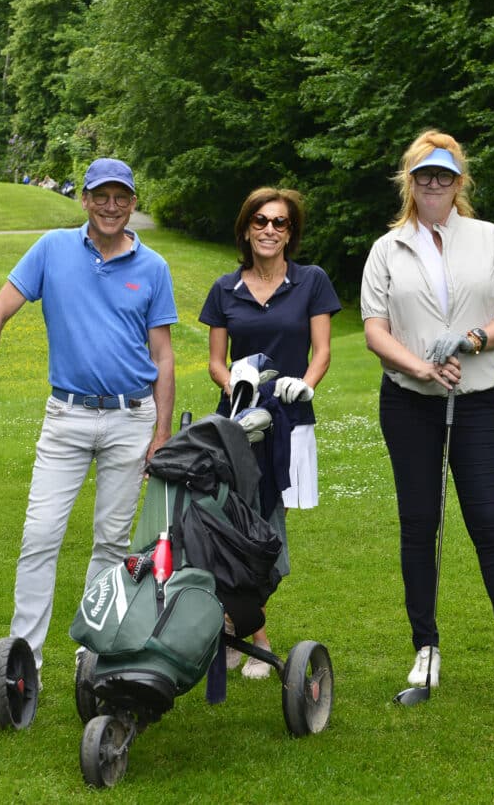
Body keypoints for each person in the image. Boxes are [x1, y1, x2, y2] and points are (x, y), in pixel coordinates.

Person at [0, 157, 177, 697]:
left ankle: (92, 659)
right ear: (84, 199)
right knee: (39, 537)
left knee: (111, 543)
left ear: (133, 203)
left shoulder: (153, 267)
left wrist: (161, 434)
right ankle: (23, 664)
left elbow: (163, 356)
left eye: (121, 197)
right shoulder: (51, 249)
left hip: (131, 419)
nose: (111, 206)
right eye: (101, 196)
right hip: (67, 417)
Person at [359, 130, 494, 697]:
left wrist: (472, 339)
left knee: (490, 523)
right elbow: (375, 330)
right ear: (409, 182)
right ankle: (426, 649)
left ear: (459, 182)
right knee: (419, 525)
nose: (434, 184)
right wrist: (422, 367)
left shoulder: (489, 239)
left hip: (476, 401)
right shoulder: (388, 249)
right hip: (408, 403)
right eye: (424, 175)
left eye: (444, 175)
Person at [198, 186, 341, 679]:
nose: (269, 230)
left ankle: (241, 627)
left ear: (290, 232)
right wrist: (233, 382)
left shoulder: (311, 281)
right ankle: (250, 634)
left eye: (280, 222)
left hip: (287, 422)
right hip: (236, 424)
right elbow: (216, 361)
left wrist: (306, 384)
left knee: (266, 528)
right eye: (260, 221)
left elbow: (322, 351)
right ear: (245, 229)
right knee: (234, 524)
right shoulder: (225, 289)